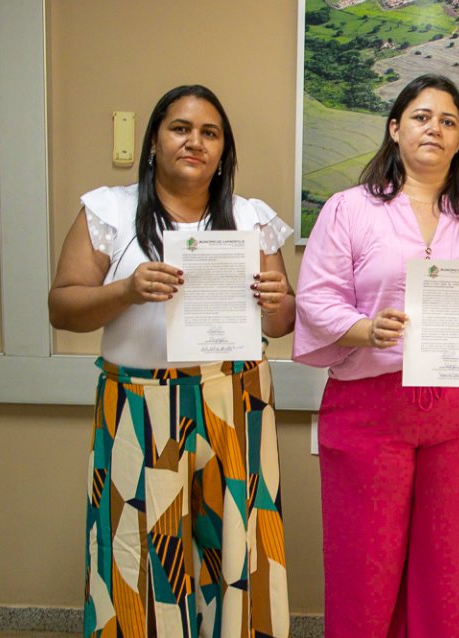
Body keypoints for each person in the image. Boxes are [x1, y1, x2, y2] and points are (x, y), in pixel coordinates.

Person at [293, 74, 459, 638]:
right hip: (369, 412)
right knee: (365, 567)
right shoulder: (347, 209)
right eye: (423, 116)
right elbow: (316, 298)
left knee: (455, 569)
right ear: (395, 127)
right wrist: (363, 328)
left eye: (448, 121)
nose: (435, 128)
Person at [48, 85, 294, 638]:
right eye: (181, 128)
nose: (195, 142)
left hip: (235, 400)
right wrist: (127, 291)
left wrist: (278, 302)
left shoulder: (251, 219)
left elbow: (281, 323)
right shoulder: (108, 210)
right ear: (154, 141)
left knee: (237, 548)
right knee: (136, 551)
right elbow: (61, 306)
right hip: (138, 403)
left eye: (210, 133)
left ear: (224, 151)